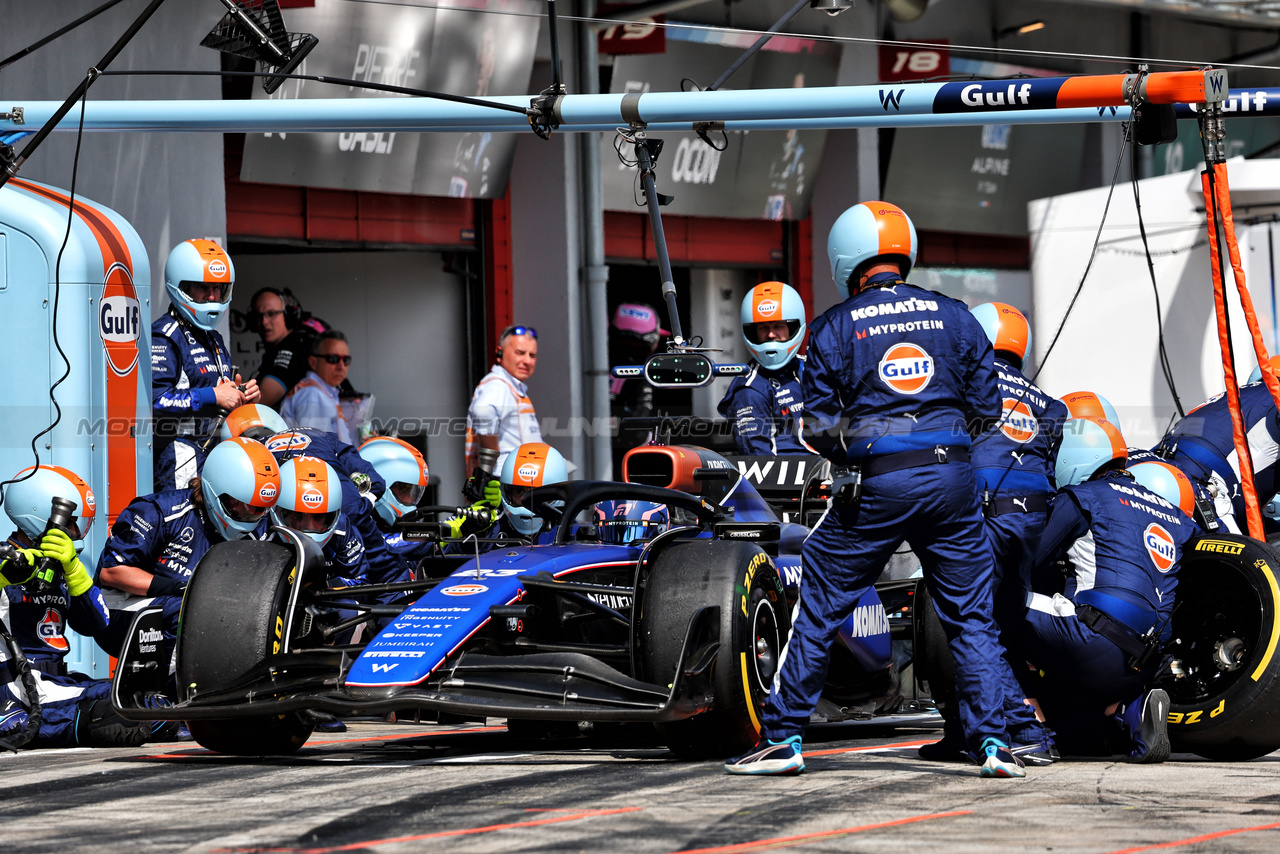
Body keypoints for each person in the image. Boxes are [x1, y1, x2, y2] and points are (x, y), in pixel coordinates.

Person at [725, 201, 1023, 778]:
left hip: (878, 484)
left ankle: (783, 738)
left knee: (819, 599)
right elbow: (989, 408)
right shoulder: (957, 316)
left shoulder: (836, 325)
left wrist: (860, 452)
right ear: (902, 252)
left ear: (844, 256)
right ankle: (994, 744)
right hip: (953, 480)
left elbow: (814, 427)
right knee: (971, 618)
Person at [917, 302, 1067, 765]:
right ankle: (963, 729)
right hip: (1032, 526)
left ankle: (1026, 732)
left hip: (982, 521)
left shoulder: (965, 384)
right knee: (1001, 625)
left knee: (970, 627)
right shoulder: (1049, 405)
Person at [1021, 417, 1197, 763]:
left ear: (1070, 460)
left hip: (1090, 639)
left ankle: (1023, 722)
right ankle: (1130, 710)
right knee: (1076, 736)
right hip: (1146, 663)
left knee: (986, 596)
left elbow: (1028, 559)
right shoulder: (1178, 518)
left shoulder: (1082, 496)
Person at [95, 438, 282, 657]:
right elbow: (111, 573)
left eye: (257, 509)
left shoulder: (261, 530)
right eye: (238, 504)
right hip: (115, 608)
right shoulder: (157, 512)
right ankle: (183, 684)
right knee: (194, 611)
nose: (247, 514)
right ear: (215, 487)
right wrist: (183, 589)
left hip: (193, 608)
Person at [152, 239, 260, 492]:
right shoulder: (165, 337)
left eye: (218, 288)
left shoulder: (214, 337)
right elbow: (154, 402)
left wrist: (241, 394)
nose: (212, 297)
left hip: (216, 454)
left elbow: (219, 396)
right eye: (202, 288)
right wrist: (212, 395)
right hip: (179, 459)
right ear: (182, 288)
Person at [1, 466, 106, 674]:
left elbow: (95, 625)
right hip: (15, 681)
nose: (76, 532)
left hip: (55, 681)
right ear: (38, 514)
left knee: (136, 696)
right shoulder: (6, 559)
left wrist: (75, 571)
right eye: (71, 523)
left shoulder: (63, 569)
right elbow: (7, 573)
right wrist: (16, 572)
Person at [1157, 382, 1279, 535]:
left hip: (1156, 465)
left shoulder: (1243, 394)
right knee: (1237, 556)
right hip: (1206, 482)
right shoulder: (1273, 400)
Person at [717, 282, 815, 455]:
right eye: (763, 328)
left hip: (828, 470)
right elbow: (758, 459)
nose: (771, 334)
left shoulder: (813, 368)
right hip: (791, 478)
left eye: (778, 326)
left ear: (792, 328)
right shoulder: (750, 388)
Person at [465, 325, 542, 475]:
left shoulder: (511, 387)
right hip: (502, 485)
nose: (527, 360)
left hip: (516, 484)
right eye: (520, 353)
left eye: (532, 355)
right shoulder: (497, 385)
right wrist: (489, 467)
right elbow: (483, 411)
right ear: (499, 353)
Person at [282, 331, 358, 444]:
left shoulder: (323, 391)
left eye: (345, 360)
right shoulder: (313, 394)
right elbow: (316, 449)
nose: (341, 366)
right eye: (333, 359)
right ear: (313, 362)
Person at [248, 288, 318, 410]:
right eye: (259, 316)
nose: (264, 322)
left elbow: (262, 400)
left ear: (287, 315)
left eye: (271, 314)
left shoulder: (294, 347)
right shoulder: (279, 348)